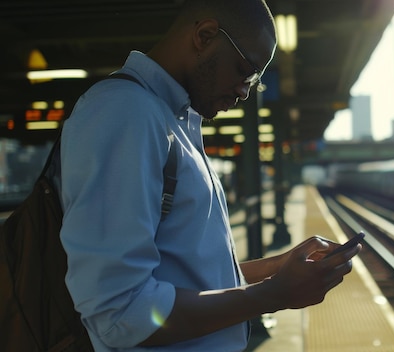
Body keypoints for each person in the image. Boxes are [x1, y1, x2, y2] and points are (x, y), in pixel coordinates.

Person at [58, 0, 361, 351]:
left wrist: (276, 269)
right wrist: (273, 295)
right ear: (205, 36)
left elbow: (183, 276)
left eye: (255, 81)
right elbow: (120, 311)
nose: (245, 91)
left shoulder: (175, 120)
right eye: (245, 71)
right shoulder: (126, 113)